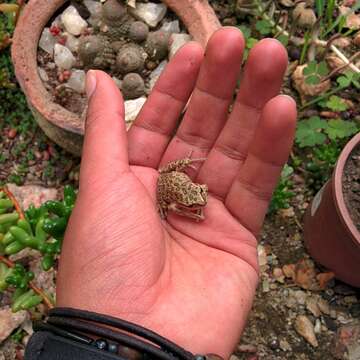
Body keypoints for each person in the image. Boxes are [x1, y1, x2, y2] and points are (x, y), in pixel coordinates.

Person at [54, 27, 296, 359]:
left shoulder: (195, 192)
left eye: (200, 195)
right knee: (173, 187)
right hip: (168, 187)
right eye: (199, 198)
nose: (202, 199)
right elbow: (175, 194)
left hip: (175, 180)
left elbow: (191, 186)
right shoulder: (185, 201)